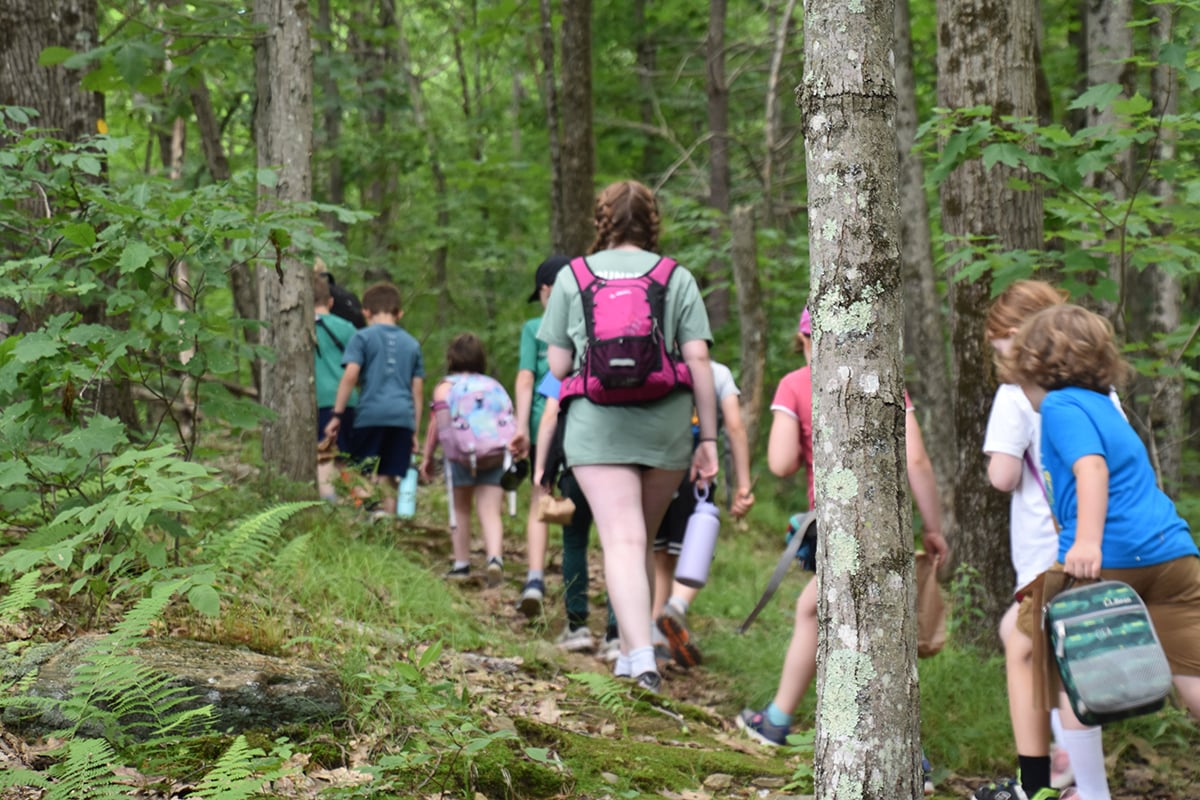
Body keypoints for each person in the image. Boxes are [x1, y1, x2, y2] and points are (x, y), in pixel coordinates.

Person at [974, 304, 1200, 800]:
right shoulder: (1104, 403)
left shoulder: (1061, 406)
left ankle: (1058, 790)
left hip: (1110, 553)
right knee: (1191, 676)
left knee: (1030, 643)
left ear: (1035, 367)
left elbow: (1091, 470)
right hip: (1173, 553)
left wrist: (1087, 542)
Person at [737, 307, 948, 793]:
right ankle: (779, 718)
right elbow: (916, 458)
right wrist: (933, 527)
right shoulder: (887, 379)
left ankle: (902, 755)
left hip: (841, 529)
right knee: (842, 617)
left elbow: (781, 463)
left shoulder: (796, 384)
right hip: (889, 526)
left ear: (806, 340)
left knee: (833, 618)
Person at [537, 179, 719, 693]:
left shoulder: (574, 276)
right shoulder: (674, 276)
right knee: (641, 533)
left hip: (597, 423)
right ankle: (633, 654)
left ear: (602, 220)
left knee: (620, 537)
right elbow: (698, 357)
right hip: (664, 423)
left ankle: (638, 657)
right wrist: (707, 438)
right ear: (652, 221)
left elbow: (559, 362)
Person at [979, 280, 1109, 800]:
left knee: (1040, 653)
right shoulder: (1100, 390)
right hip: (1096, 538)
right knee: (1059, 654)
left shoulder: (1016, 395)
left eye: (997, 346)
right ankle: (1064, 772)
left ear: (1015, 335)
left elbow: (1004, 477)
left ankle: (1057, 784)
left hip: (1044, 547)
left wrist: (995, 458)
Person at [652, 359, 756, 669]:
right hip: (700, 475)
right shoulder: (718, 372)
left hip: (657, 468)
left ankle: (655, 640)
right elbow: (735, 428)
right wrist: (744, 485)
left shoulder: (662, 363)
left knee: (661, 557)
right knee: (696, 552)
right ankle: (676, 606)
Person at [325, 282, 424, 519]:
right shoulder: (412, 344)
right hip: (402, 417)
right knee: (390, 475)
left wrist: (337, 414)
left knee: (358, 468)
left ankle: (373, 510)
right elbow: (417, 390)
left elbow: (350, 375)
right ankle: (387, 525)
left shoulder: (362, 338)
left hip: (370, 414)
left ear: (366, 312)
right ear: (399, 313)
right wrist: (414, 430)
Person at [419, 333, 508, 587]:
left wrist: (428, 457)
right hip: (493, 452)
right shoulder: (493, 385)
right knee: (490, 511)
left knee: (461, 508)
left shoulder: (445, 387)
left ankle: (462, 564)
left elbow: (438, 426)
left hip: (459, 456)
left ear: (451, 358)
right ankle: (495, 559)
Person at [512, 254, 572, 618]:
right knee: (578, 502)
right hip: (583, 424)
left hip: (541, 423)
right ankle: (575, 583)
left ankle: (535, 578)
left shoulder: (534, 328)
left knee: (540, 497)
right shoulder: (589, 325)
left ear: (547, 289)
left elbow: (525, 379)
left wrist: (520, 427)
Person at [533, 372, 598, 652]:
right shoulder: (628, 355)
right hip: (623, 464)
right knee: (620, 545)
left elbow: (550, 417)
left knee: (574, 541)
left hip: (576, 465)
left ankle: (577, 625)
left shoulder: (564, 366)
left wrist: (542, 469)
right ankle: (616, 632)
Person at [313, 273, 359, 502]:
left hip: (319, 399)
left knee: (323, 458)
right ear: (330, 302)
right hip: (348, 400)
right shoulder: (347, 327)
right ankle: (367, 505)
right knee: (346, 459)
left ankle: (329, 509)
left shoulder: (300, 329)